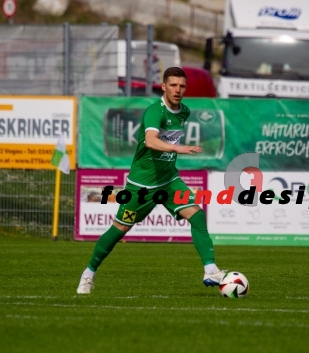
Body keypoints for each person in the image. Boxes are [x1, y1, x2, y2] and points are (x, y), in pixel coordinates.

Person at [76, 67, 226, 294]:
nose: (178, 90)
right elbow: (150, 141)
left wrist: (174, 154)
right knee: (119, 229)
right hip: (142, 186)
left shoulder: (183, 111)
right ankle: (88, 274)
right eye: (173, 85)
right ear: (164, 86)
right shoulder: (154, 112)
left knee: (197, 215)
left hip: (169, 181)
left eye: (182, 86)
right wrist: (179, 149)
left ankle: (210, 269)